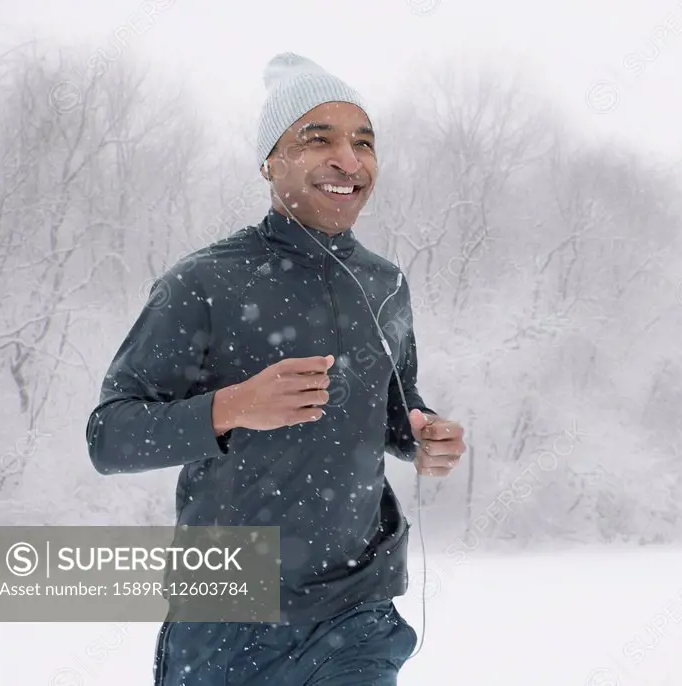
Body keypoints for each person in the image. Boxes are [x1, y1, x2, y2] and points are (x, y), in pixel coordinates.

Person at [86, 52, 465, 685]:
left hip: (357, 610)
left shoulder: (385, 284)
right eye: (318, 140)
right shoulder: (204, 281)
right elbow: (109, 436)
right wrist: (232, 407)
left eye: (364, 142)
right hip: (229, 613)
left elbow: (397, 411)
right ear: (270, 162)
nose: (349, 159)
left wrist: (424, 435)